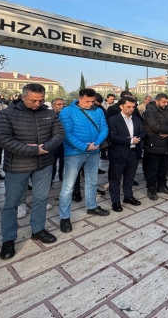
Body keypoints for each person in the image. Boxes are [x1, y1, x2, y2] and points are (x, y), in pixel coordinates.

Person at [0, 84, 64, 260]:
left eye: (41, 100)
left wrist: (43, 148)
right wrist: (33, 150)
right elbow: (2, 139)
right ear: (23, 97)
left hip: (44, 164)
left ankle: (38, 229)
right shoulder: (6, 114)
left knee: (41, 198)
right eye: (33, 100)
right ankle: (8, 239)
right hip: (18, 165)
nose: (37, 103)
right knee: (12, 203)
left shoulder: (49, 113)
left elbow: (59, 135)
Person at [57, 89, 110, 233]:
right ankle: (65, 217)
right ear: (79, 98)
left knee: (92, 181)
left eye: (93, 101)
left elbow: (104, 128)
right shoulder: (67, 112)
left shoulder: (98, 111)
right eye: (88, 101)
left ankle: (91, 206)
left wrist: (96, 144)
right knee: (68, 187)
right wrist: (85, 146)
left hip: (94, 151)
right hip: (74, 153)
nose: (91, 104)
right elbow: (67, 134)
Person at [107, 96, 145, 212]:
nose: (131, 109)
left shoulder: (137, 120)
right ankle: (115, 201)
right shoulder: (113, 120)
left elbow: (143, 132)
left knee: (129, 177)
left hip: (133, 153)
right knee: (115, 179)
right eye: (128, 107)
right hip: (118, 154)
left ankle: (128, 196)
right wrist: (129, 140)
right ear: (121, 106)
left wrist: (136, 138)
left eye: (133, 107)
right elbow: (112, 136)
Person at [143, 93, 168, 200]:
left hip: (167, 144)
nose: (166, 104)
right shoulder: (149, 112)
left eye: (167, 102)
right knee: (153, 169)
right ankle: (151, 189)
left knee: (164, 167)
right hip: (154, 144)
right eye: (164, 102)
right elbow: (155, 127)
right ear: (157, 101)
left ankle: (162, 185)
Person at [51, 98, 66, 182]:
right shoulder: (49, 115)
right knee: (52, 161)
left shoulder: (66, 115)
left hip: (64, 141)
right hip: (53, 142)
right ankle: (51, 177)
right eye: (59, 104)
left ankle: (62, 175)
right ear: (53, 106)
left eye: (63, 104)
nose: (62, 106)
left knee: (63, 160)